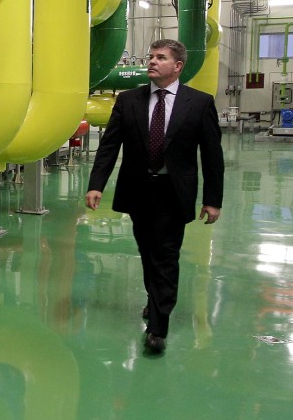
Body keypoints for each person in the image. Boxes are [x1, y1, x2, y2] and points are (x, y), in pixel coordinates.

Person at [85, 39, 223, 355]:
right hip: (138, 190)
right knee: (148, 253)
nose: (152, 61)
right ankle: (153, 297)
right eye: (151, 56)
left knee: (166, 256)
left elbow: (212, 155)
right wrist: (96, 185)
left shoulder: (199, 103)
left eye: (160, 57)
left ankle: (158, 328)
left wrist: (212, 199)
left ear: (178, 66)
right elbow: (109, 146)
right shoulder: (128, 101)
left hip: (174, 192)